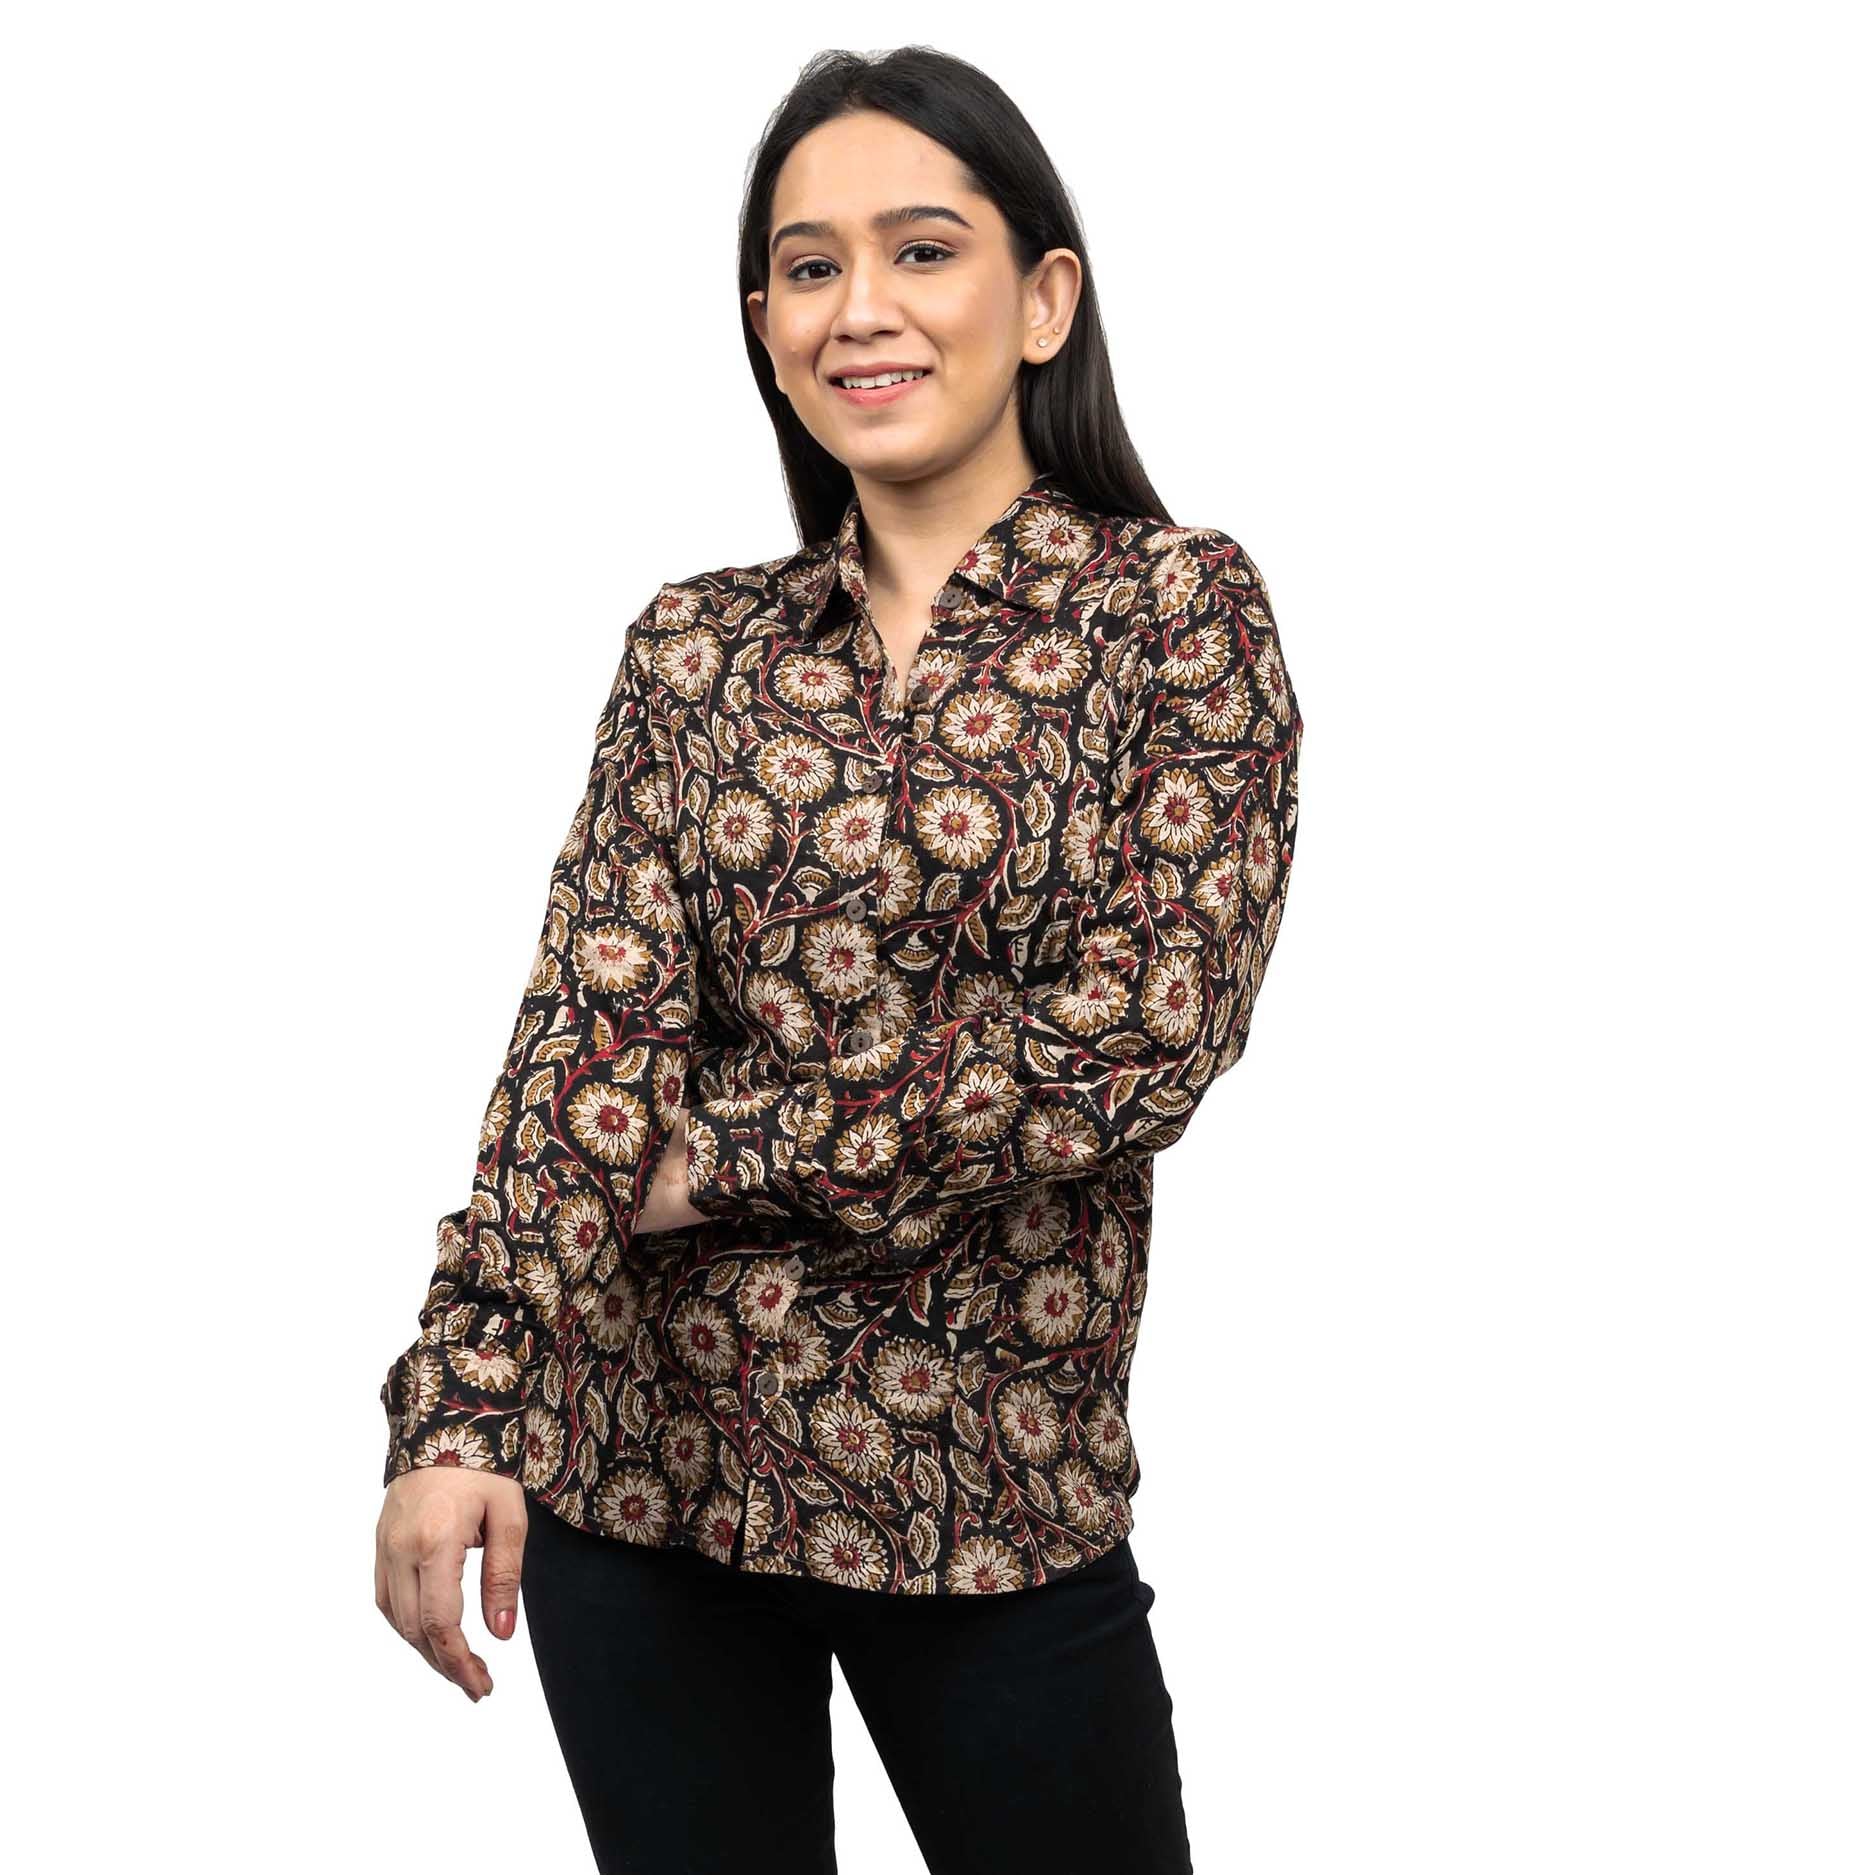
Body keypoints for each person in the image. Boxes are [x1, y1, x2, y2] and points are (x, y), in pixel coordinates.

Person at [373, 45, 1303, 1875]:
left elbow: (1137, 1039)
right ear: (767, 328)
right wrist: (460, 1401)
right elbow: (585, 1037)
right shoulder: (696, 650)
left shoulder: (1177, 619)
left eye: (921, 250)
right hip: (643, 1499)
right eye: (809, 268)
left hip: (994, 1501)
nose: (859, 307)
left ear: (1044, 301)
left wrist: (720, 1155)